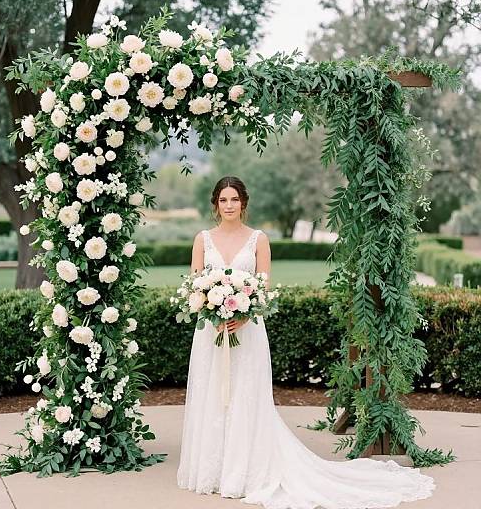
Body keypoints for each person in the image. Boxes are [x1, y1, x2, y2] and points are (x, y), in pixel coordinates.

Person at [176, 176, 435, 508]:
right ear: (215, 204)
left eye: (234, 200)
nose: (229, 205)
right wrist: (212, 309)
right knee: (212, 394)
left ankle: (244, 469)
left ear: (244, 203)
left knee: (245, 396)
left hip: (247, 330)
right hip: (211, 333)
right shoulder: (203, 239)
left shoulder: (258, 239)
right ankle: (212, 469)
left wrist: (243, 312)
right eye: (223, 200)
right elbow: (194, 285)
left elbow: (263, 289)